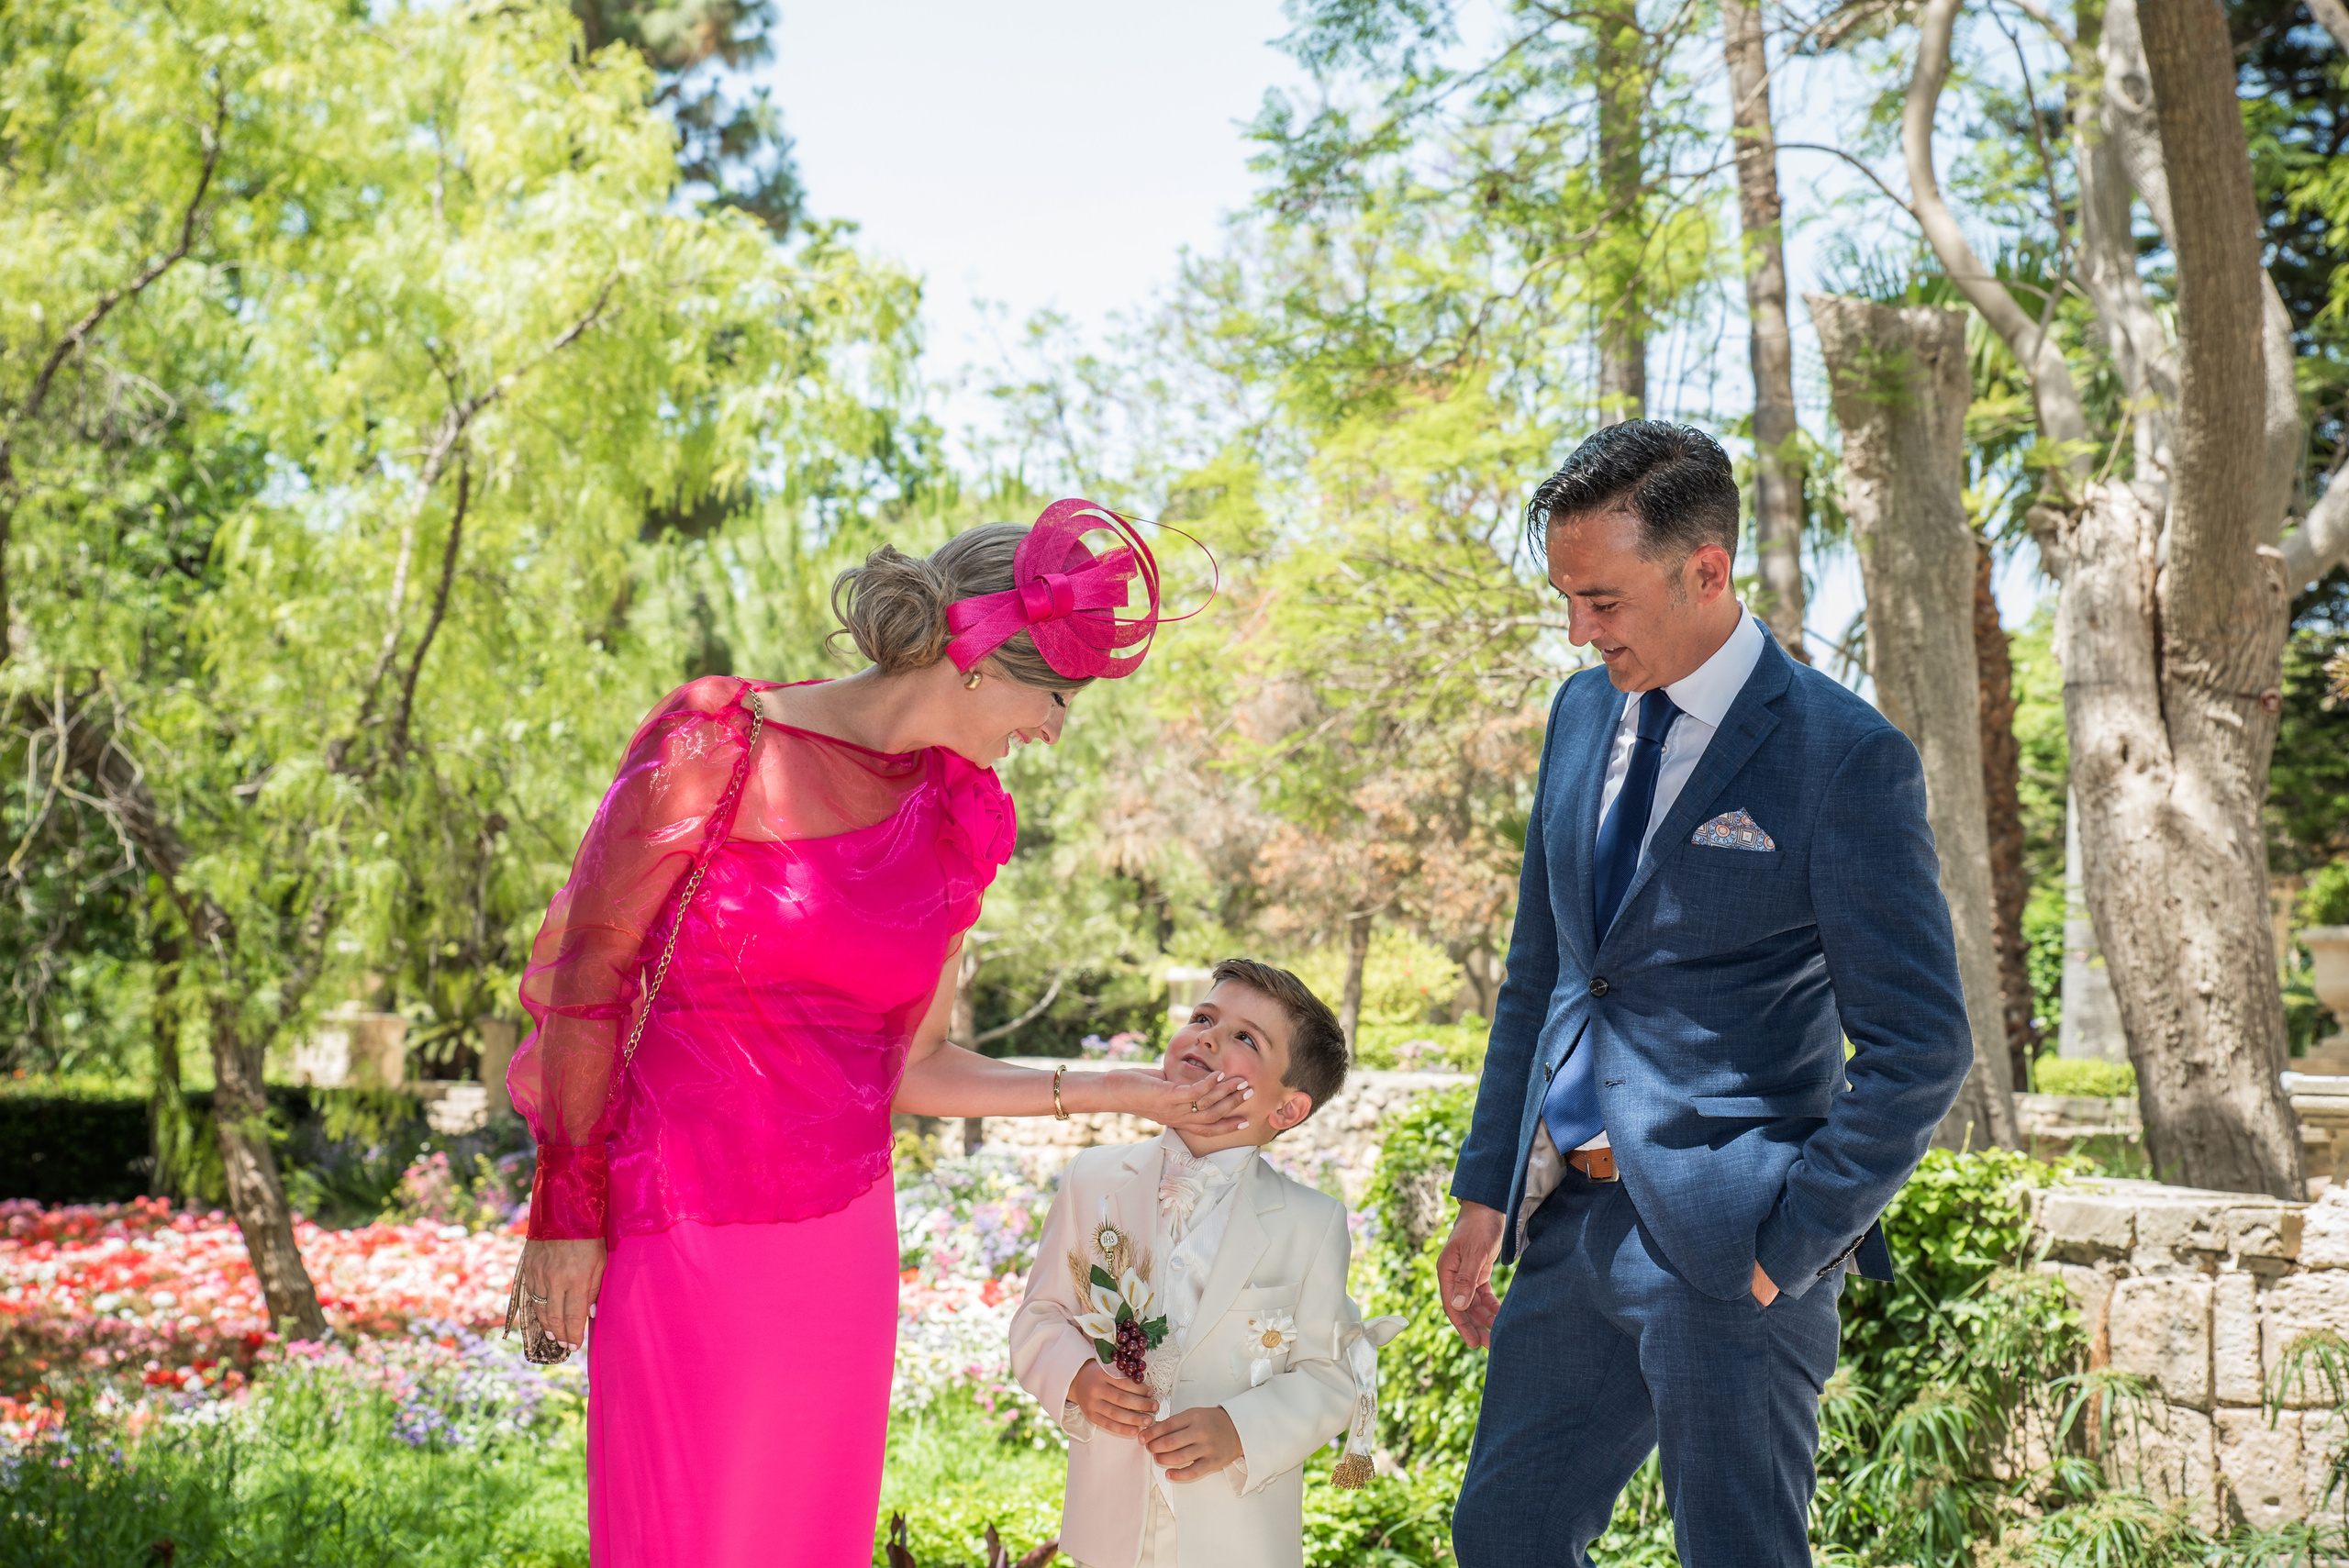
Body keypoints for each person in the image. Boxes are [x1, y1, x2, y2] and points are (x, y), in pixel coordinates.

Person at [506, 501, 1251, 1567]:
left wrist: (1132, 1088)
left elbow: (919, 1068)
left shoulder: (960, 818)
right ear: (983, 659)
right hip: (682, 1215)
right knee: (691, 1532)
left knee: (809, 1533)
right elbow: (591, 980)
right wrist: (564, 1205)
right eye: (1055, 698)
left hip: (837, 1233)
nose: (1052, 731)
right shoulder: (717, 737)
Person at [1437, 423, 1973, 1566]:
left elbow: (1920, 1044)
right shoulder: (1580, 714)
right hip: (1567, 1226)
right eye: (1566, 600)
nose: (1579, 632)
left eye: (1602, 600)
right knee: (1502, 1535)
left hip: (1728, 1251)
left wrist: (1791, 1243)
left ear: (1706, 570)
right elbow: (1544, 968)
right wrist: (1488, 1187)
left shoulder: (1843, 756)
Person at [1009, 959, 1403, 1568]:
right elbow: (1041, 1315)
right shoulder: (1092, 1180)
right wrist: (1080, 1380)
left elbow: (1330, 1375)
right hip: (1111, 1535)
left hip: (1239, 1542)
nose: (1208, 1036)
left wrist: (1238, 1428)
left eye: (1247, 1037)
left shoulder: (1311, 1222)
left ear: (1288, 1109)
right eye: (1202, 1017)